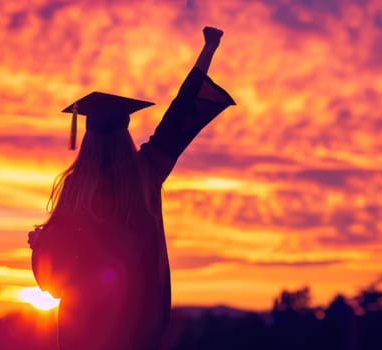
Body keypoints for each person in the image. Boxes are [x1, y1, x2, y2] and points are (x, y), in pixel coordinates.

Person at [28, 26, 235, 350]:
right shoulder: (147, 174)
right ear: (124, 133)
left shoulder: (76, 189)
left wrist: (40, 243)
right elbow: (178, 117)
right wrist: (208, 51)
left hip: (83, 332)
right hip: (137, 332)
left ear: (87, 138)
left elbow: (54, 283)